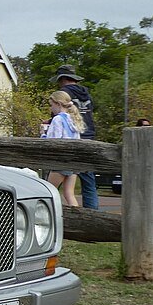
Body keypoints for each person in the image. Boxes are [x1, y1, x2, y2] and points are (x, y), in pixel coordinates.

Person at [52, 65, 98, 209]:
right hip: (88, 137)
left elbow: (60, 119)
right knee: (88, 182)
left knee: (53, 186)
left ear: (62, 79)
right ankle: (92, 213)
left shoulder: (63, 94)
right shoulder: (86, 93)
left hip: (70, 142)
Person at [42, 90, 86, 206]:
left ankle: (53, 214)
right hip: (73, 161)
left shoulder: (58, 119)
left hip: (61, 160)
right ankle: (77, 215)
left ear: (58, 104)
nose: (51, 108)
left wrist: (43, 134)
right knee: (69, 194)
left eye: (51, 105)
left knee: (48, 191)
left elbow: (53, 141)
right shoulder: (73, 119)